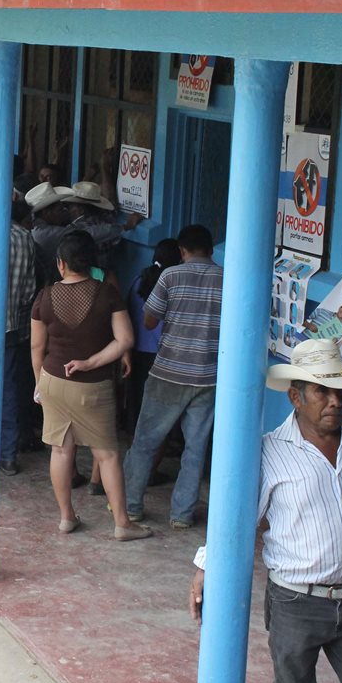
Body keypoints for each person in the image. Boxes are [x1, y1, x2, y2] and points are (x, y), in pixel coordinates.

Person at [189, 338, 342, 683]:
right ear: (295, 397)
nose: (335, 401)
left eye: (340, 391)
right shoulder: (271, 452)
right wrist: (205, 567)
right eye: (322, 391)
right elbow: (240, 519)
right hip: (295, 602)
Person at [30, 233, 152, 540]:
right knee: (107, 454)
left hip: (54, 380)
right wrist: (91, 362)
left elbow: (36, 347)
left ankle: (66, 517)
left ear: (61, 264)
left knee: (60, 450)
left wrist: (39, 385)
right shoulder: (107, 294)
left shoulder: (44, 297)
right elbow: (125, 340)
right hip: (94, 386)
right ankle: (122, 523)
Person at [124, 225, 223, 528]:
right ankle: (181, 514)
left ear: (182, 250)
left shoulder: (170, 276)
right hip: (207, 375)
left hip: (168, 371)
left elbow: (150, 321)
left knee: (145, 441)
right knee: (195, 448)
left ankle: (130, 506)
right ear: (210, 249)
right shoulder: (227, 279)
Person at [125, 240, 183, 434]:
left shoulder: (138, 280)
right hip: (163, 354)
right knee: (162, 404)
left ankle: (135, 435)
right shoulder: (173, 283)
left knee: (138, 398)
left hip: (137, 350)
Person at [0, 200, 37, 474]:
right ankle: (8, 455)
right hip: (13, 325)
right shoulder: (27, 239)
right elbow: (29, 292)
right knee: (10, 390)